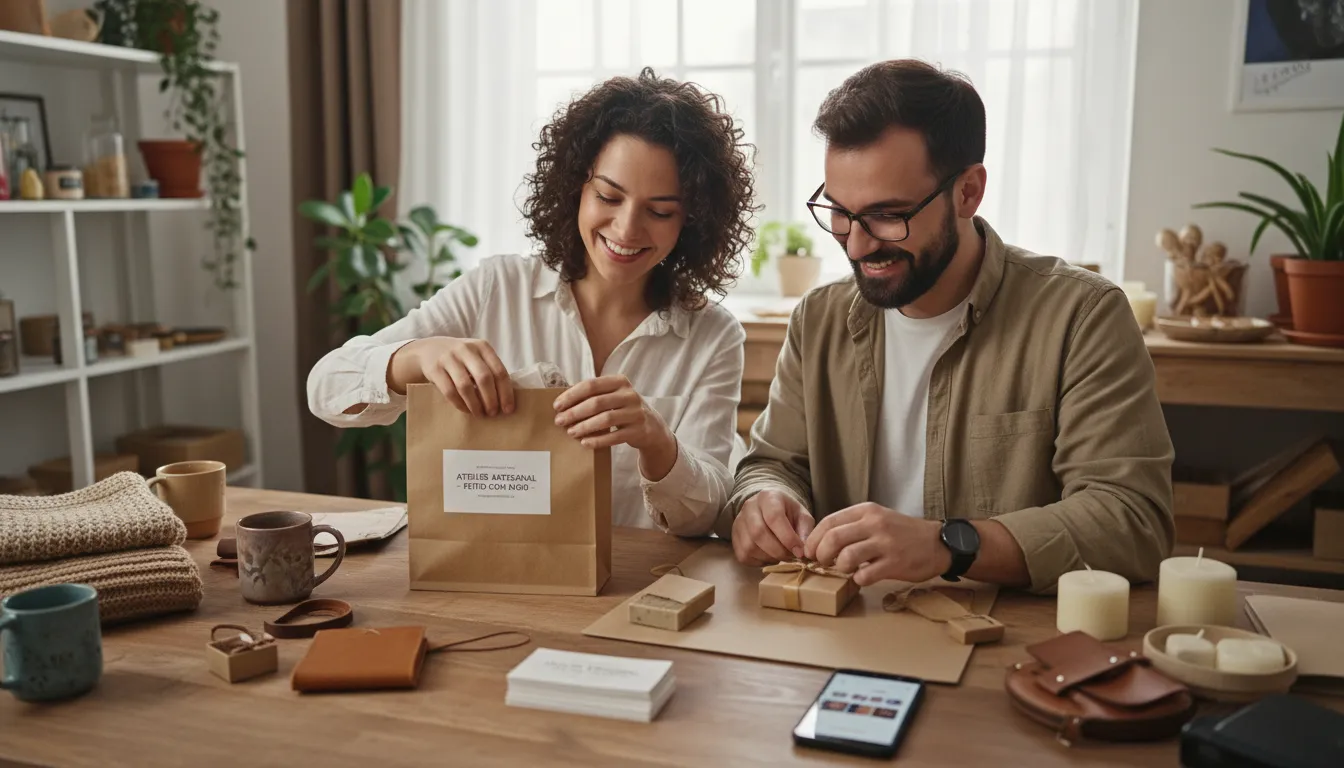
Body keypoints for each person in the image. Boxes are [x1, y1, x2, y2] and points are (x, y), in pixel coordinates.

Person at [718, 60, 1174, 592]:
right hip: (843, 627)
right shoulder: (818, 319)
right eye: (840, 212)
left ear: (968, 192)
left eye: (889, 215)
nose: (858, 245)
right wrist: (763, 501)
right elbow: (771, 464)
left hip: (1007, 640)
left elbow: (1133, 521)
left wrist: (948, 545)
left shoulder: (1082, 317)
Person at [308, 68, 754, 535]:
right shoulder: (496, 288)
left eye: (660, 211)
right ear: (575, 188)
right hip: (494, 578)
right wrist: (417, 356)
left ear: (694, 220)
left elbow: (704, 515)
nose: (626, 230)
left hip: (637, 591)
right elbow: (325, 390)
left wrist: (657, 441)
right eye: (608, 196)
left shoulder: (713, 336)